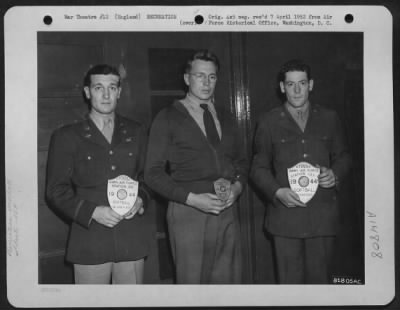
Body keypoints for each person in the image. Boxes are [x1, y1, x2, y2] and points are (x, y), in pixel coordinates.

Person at [144, 50, 248, 284]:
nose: (206, 82)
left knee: (228, 286)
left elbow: (241, 161)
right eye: (200, 75)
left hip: (226, 210)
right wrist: (192, 199)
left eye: (212, 77)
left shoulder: (227, 116)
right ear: (186, 78)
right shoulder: (168, 116)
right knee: (193, 287)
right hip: (188, 212)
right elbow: (152, 173)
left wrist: (238, 188)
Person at [46, 64, 152, 284]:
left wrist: (140, 199)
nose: (105, 95)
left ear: (119, 92)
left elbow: (149, 177)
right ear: (87, 92)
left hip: (130, 238)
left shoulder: (137, 131)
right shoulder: (67, 136)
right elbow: (56, 190)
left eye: (112, 87)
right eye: (98, 88)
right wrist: (93, 212)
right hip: (89, 239)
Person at [250, 59, 351, 284]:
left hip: (322, 217)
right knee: (290, 289)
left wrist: (334, 174)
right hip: (285, 220)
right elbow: (258, 168)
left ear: (311, 84)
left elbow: (344, 156)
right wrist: (276, 192)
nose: (296, 90)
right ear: (282, 87)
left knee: (321, 286)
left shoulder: (329, 118)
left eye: (302, 83)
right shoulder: (268, 122)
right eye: (291, 84)